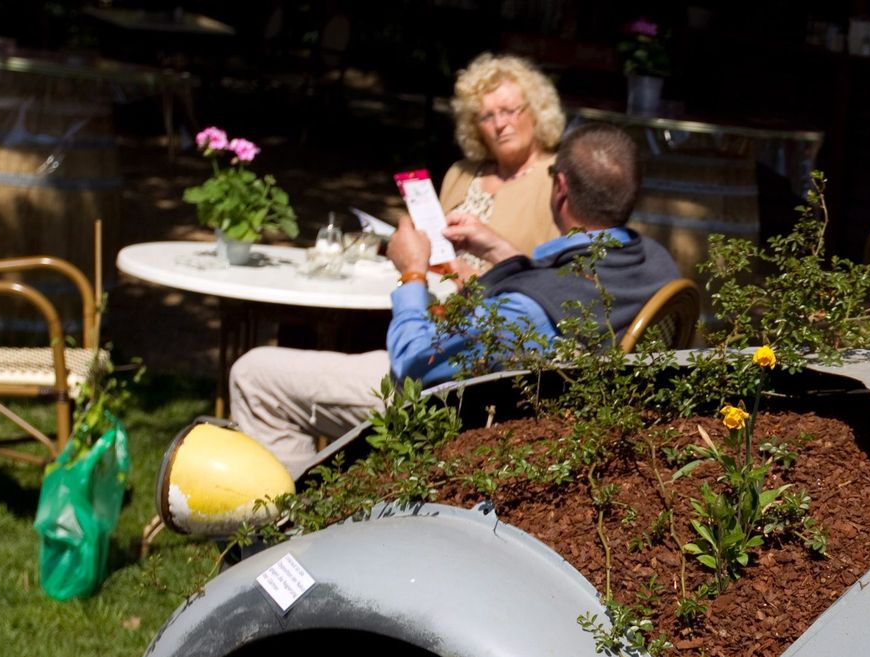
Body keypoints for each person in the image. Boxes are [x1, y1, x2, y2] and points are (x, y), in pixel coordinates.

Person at [229, 123, 681, 478]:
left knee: (255, 375)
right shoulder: (657, 264)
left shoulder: (528, 310)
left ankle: (279, 544)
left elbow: (414, 364)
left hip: (464, 413)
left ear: (560, 187)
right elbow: (573, 283)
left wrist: (411, 272)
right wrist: (502, 252)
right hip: (558, 416)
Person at [438, 53, 565, 277]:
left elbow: (561, 277)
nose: (499, 124)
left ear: (536, 111)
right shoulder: (460, 173)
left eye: (509, 111)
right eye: (486, 117)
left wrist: (475, 282)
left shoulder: (558, 178)